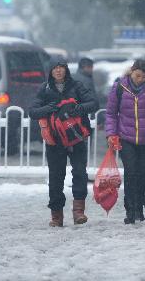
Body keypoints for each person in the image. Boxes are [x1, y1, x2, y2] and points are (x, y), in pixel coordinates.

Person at [29, 58, 98, 227]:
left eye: (61, 68)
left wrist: (79, 109)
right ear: (50, 72)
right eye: (55, 68)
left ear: (66, 70)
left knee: (80, 173)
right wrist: (49, 108)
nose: (58, 71)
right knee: (56, 178)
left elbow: (94, 103)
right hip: (55, 141)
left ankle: (78, 212)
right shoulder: (44, 89)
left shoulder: (77, 86)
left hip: (76, 138)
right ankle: (56, 216)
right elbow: (33, 111)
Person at [105, 59, 145, 225]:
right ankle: (130, 210)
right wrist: (111, 133)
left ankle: (140, 206)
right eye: (137, 75)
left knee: (142, 173)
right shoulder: (119, 87)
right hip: (126, 137)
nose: (140, 79)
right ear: (131, 72)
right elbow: (110, 113)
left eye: (143, 77)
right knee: (130, 172)